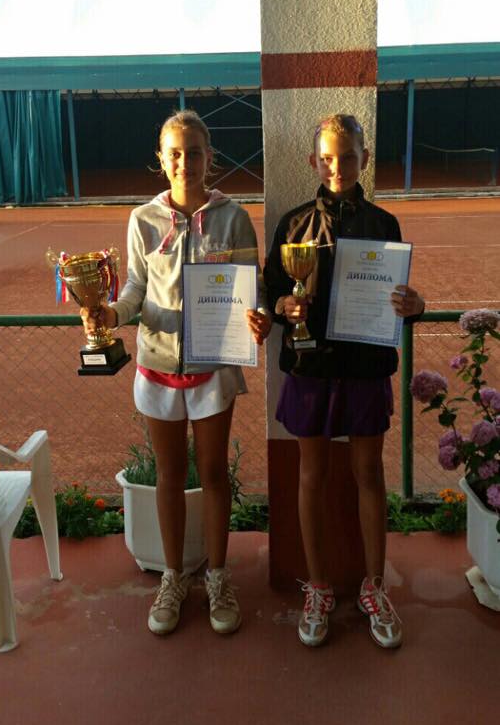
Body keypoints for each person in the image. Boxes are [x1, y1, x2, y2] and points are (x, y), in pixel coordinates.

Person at [81, 109, 270, 636]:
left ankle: (218, 576)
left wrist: (259, 317)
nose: (185, 162)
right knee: (168, 476)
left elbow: (251, 287)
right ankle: (172, 576)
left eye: (194, 152)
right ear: (161, 161)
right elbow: (135, 288)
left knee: (213, 474)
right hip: (158, 364)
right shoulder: (143, 220)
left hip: (213, 367)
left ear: (210, 158)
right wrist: (110, 315)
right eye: (175, 153)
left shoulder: (234, 218)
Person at [264, 113, 425, 650]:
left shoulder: (384, 225)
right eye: (328, 158)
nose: (338, 167)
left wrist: (412, 306)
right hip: (310, 368)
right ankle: (318, 587)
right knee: (311, 475)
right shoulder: (292, 226)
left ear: (364, 159)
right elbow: (271, 290)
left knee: (368, 474)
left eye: (348, 157)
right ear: (313, 161)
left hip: (364, 368)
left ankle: (374, 586)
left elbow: (397, 299)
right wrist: (284, 306)